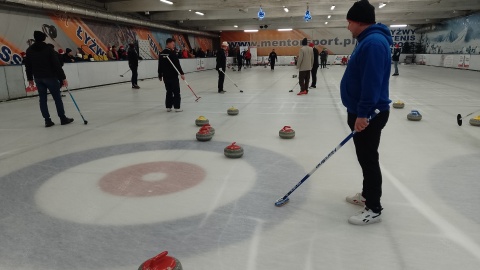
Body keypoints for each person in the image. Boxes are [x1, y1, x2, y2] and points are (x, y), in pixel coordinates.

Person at [341, 0, 392, 225]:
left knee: (369, 159)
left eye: (349, 22)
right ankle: (366, 195)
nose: (347, 27)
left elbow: (371, 82)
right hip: (362, 111)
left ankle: (374, 207)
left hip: (369, 113)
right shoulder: (367, 40)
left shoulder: (373, 43)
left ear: (359, 22)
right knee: (364, 157)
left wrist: (363, 114)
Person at [25, 31, 73, 127]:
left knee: (42, 99)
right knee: (57, 98)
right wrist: (63, 77)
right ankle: (62, 118)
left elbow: (28, 66)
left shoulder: (29, 50)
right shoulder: (48, 49)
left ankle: (47, 120)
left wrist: (30, 78)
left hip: (38, 78)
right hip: (50, 76)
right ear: (43, 38)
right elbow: (56, 64)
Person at [158, 38, 185, 112]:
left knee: (169, 91)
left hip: (166, 77)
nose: (174, 46)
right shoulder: (172, 53)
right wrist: (181, 73)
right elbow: (177, 64)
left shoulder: (161, 53)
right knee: (176, 91)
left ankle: (168, 107)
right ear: (168, 44)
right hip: (173, 76)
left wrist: (160, 74)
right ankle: (177, 107)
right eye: (173, 44)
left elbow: (159, 65)